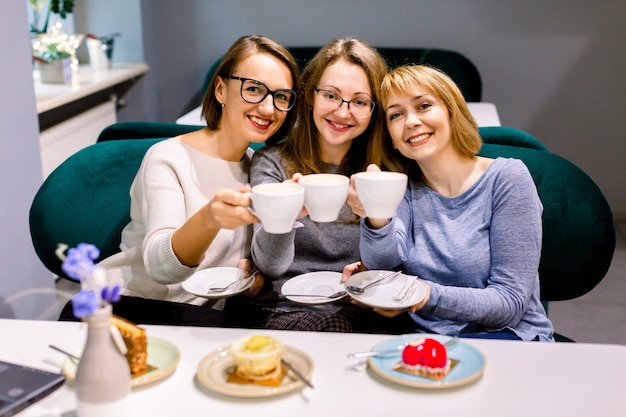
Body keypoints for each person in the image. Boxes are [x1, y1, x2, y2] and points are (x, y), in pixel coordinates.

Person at [344, 64, 554, 341]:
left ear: (452, 112)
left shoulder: (508, 178)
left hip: (508, 337)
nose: (411, 122)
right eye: (396, 114)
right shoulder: (402, 187)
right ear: (392, 139)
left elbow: (509, 304)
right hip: (427, 342)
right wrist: (376, 214)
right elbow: (385, 263)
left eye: (423, 106)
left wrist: (423, 295)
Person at [94, 35, 300, 313]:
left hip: (201, 321)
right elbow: (160, 267)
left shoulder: (259, 168)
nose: (267, 108)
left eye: (281, 97)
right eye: (253, 89)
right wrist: (210, 218)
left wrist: (254, 278)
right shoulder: (168, 157)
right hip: (127, 308)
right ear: (220, 90)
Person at [225, 37, 410, 333]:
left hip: (359, 311)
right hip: (279, 308)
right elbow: (270, 266)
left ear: (374, 110)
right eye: (331, 95)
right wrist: (283, 213)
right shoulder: (271, 162)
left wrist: (376, 217)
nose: (342, 112)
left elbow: (390, 265)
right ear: (311, 96)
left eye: (360, 102)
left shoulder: (388, 172)